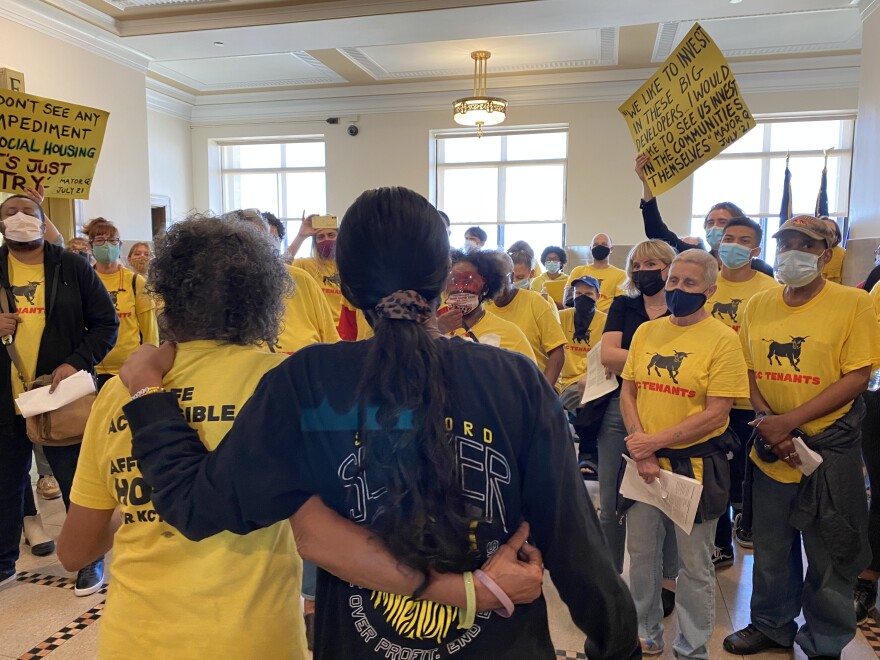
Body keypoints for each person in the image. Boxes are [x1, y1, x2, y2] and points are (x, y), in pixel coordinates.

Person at [122, 187, 640, 660]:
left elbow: (196, 506)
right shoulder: (513, 380)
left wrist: (147, 394)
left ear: (345, 286)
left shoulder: (308, 381)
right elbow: (577, 548)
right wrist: (617, 648)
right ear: (443, 277)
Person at [57, 213, 541, 657]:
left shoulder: (123, 392)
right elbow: (317, 536)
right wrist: (469, 591)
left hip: (134, 639)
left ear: (164, 295)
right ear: (267, 298)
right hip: (256, 640)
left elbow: (75, 553)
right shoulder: (289, 383)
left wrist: (136, 510)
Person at [724, 215, 880, 658]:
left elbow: (857, 376)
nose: (793, 252)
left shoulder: (853, 303)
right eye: (786, 243)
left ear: (826, 255)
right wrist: (770, 423)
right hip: (773, 449)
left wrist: (790, 422)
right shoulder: (759, 304)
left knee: (829, 549)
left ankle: (825, 639)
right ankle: (771, 626)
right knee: (771, 548)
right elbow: (749, 370)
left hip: (829, 449)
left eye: (805, 246)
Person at [621, 249, 749, 658]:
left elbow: (717, 413)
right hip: (644, 464)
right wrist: (641, 447)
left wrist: (653, 443)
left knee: (694, 566)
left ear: (710, 290)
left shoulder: (724, 341)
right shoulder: (648, 332)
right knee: (641, 557)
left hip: (693, 466)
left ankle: (692, 646)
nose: (678, 289)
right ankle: (645, 632)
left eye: (689, 283)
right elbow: (630, 391)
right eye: (674, 281)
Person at [0, 195, 118, 594]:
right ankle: (4, 561)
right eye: (10, 213)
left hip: (60, 395)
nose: (20, 219)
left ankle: (89, 559)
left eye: (28, 213)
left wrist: (77, 362)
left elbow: (105, 324)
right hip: (7, 395)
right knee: (6, 479)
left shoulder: (70, 265)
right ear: (0, 225)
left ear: (42, 220)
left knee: (76, 479)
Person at [598, 239, 681, 607]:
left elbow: (621, 358)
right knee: (610, 500)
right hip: (620, 407)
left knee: (669, 498)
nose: (644, 270)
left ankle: (667, 580)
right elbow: (607, 354)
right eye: (638, 263)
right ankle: (607, 578)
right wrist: (657, 362)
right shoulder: (624, 304)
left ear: (669, 267)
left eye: (653, 263)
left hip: (673, 411)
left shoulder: (682, 309)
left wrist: (630, 362)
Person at [705, 217, 779, 567]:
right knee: (714, 469)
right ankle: (719, 543)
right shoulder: (705, 283)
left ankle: (745, 523)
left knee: (748, 473)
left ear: (756, 249)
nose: (732, 243)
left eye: (743, 239)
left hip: (750, 398)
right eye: (728, 237)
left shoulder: (769, 289)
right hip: (709, 396)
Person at [634, 154, 774, 277]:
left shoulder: (761, 270)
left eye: (722, 222)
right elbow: (656, 231)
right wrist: (647, 184)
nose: (715, 228)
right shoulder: (698, 258)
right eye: (710, 223)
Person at [227, 209, 339, 355]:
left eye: (267, 239)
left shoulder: (301, 279)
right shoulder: (222, 290)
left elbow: (332, 341)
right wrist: (301, 236)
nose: (259, 247)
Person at [85, 218, 159, 390]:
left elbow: (150, 331)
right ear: (91, 246)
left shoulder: (135, 281)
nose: (107, 245)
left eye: (112, 240)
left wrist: (148, 366)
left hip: (129, 370)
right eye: (100, 240)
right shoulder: (85, 280)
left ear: (120, 244)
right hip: (92, 370)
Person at [439, 250, 536, 362]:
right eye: (454, 280)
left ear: (485, 287)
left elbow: (529, 377)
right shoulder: (436, 326)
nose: (460, 287)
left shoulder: (510, 334)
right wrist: (437, 331)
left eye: (468, 281)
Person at [487, 253, 566, 386]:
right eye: (490, 281)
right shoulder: (484, 307)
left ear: (511, 278)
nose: (496, 287)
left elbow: (557, 354)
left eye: (500, 280)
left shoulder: (536, 302)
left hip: (536, 384)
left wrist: (544, 392)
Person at [285, 212, 357, 340]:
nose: (326, 240)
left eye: (331, 235)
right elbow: (280, 268)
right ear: (315, 242)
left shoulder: (350, 264)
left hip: (347, 332)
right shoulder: (305, 265)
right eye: (320, 237)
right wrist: (300, 236)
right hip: (319, 332)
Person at [557, 275, 605, 414]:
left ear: (598, 296)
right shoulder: (561, 317)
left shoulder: (606, 321)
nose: (582, 298)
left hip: (593, 379)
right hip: (566, 381)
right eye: (578, 293)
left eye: (588, 294)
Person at [566, 234, 627, 313]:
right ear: (590, 248)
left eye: (604, 244)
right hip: (579, 319)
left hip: (607, 321)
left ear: (611, 249)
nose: (599, 247)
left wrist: (598, 318)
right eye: (596, 244)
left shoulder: (621, 275)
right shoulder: (577, 271)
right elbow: (567, 300)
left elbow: (619, 305)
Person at [820, 217, 846, 284]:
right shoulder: (804, 253)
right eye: (822, 230)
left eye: (831, 231)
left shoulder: (845, 255)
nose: (826, 234)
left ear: (837, 237)